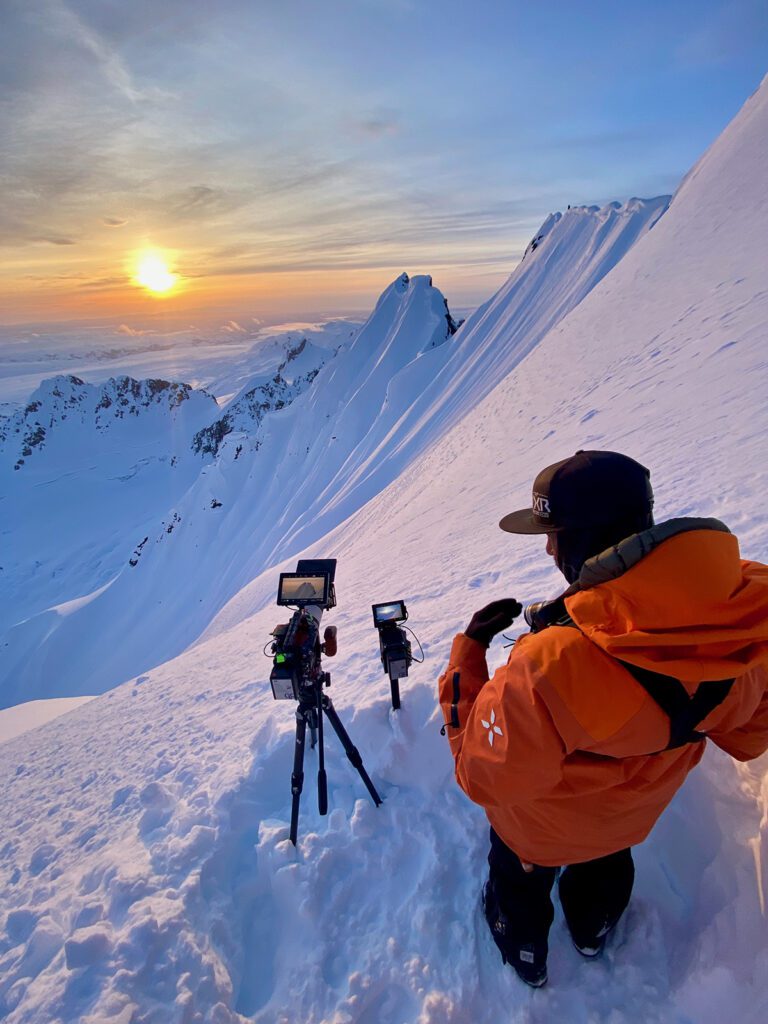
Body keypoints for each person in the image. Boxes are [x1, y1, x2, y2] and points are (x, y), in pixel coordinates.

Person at [438, 450, 768, 987]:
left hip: (538, 835)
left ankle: (524, 952)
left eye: (553, 532)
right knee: (605, 864)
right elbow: (750, 737)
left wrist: (467, 656)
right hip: (630, 821)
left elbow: (482, 774)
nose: (546, 547)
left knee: (518, 877)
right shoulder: (741, 618)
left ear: (586, 538)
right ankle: (593, 931)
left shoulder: (550, 664)